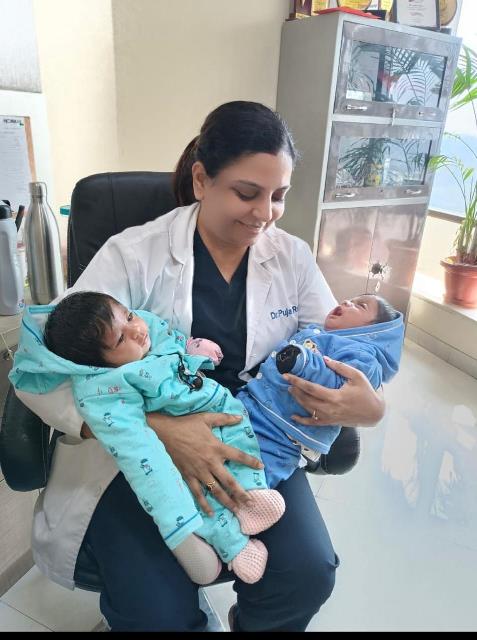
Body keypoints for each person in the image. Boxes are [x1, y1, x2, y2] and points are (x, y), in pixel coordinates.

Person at [13, 101, 385, 632]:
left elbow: (342, 346)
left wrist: (370, 405)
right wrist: (160, 428)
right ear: (201, 179)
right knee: (155, 613)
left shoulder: (292, 257)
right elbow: (42, 367)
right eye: (247, 193)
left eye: (279, 195)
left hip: (249, 440)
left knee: (306, 573)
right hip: (138, 459)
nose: (265, 214)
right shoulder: (133, 254)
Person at [11, 291, 286, 585]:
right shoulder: (106, 389)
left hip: (221, 408)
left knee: (239, 444)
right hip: (167, 456)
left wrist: (191, 348)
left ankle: (251, 495)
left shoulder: (144, 328)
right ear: (97, 364)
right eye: (120, 339)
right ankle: (233, 545)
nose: (137, 330)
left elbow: (169, 340)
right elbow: (144, 460)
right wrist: (178, 528)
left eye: (130, 316)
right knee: (199, 494)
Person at [237, 294, 404, 488]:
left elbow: (344, 385)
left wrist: (303, 363)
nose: (346, 302)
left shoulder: (363, 357)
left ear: (372, 331)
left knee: (254, 470)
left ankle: (251, 498)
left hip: (283, 433)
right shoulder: (320, 334)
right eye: (351, 300)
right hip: (253, 403)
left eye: (360, 305)